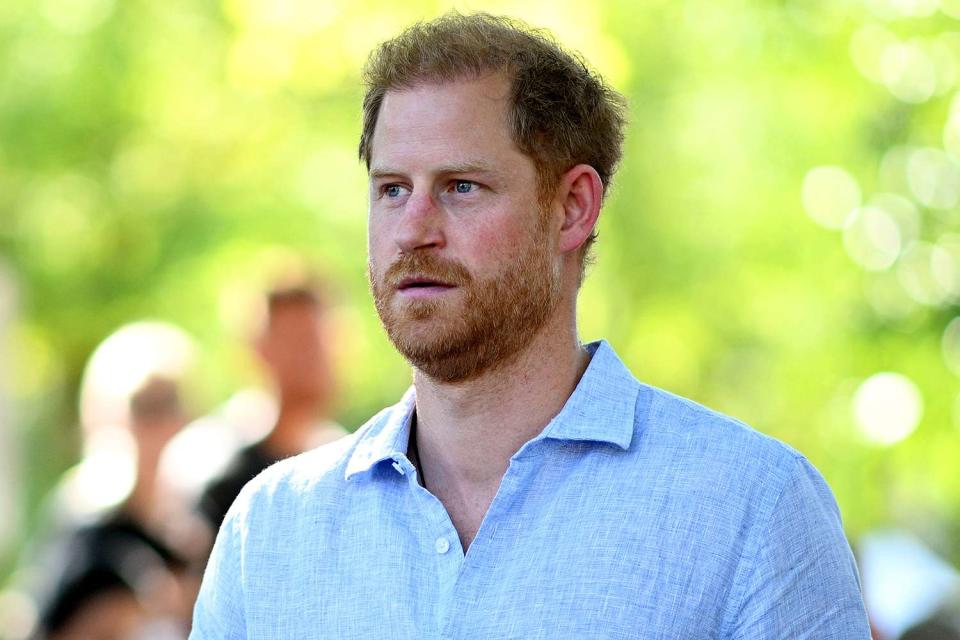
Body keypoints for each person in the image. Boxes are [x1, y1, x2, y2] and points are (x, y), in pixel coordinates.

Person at [190, 12, 871, 638]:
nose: (413, 231)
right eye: (393, 189)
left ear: (573, 208)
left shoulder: (749, 509)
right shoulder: (270, 531)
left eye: (461, 187)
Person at [195, 283, 345, 533]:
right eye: (297, 341)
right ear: (261, 352)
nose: (314, 356)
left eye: (320, 340)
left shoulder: (349, 464)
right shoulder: (228, 481)